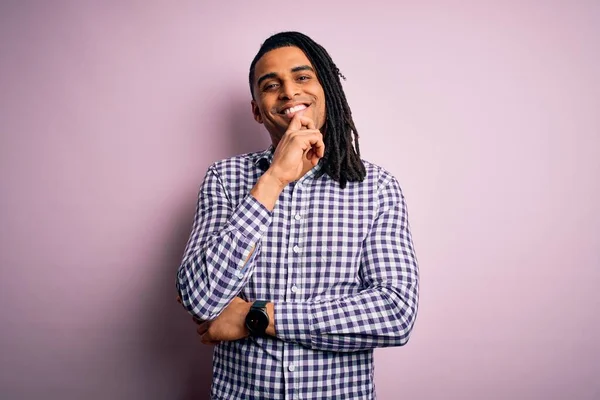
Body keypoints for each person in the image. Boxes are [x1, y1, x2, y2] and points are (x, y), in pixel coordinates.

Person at [176, 31, 419, 400]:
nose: (289, 92)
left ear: (327, 91)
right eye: (271, 85)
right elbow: (200, 297)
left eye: (302, 77)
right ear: (257, 110)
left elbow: (393, 313)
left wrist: (256, 317)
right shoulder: (223, 180)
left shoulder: (377, 188)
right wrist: (273, 179)